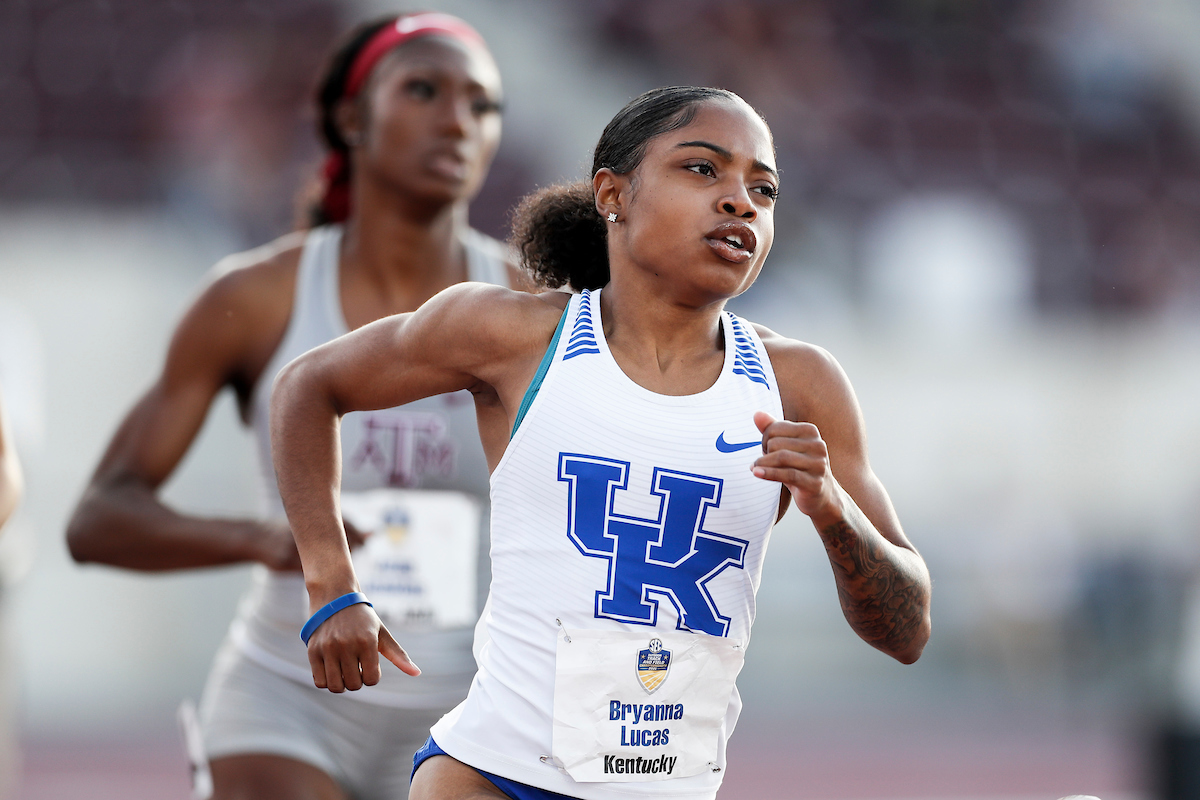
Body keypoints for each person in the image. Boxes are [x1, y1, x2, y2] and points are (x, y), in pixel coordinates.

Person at [270, 85, 933, 800]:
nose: (741, 201)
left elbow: (907, 632)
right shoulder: (515, 337)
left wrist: (832, 509)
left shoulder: (797, 384)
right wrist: (331, 586)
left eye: (763, 188)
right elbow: (307, 387)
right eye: (703, 170)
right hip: (493, 776)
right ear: (613, 194)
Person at [66, 12, 522, 800]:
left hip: (467, 704)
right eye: (423, 90)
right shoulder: (258, 298)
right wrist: (272, 541)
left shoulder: (529, 308)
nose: (456, 119)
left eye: (482, 104)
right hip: (288, 698)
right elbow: (100, 519)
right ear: (352, 118)